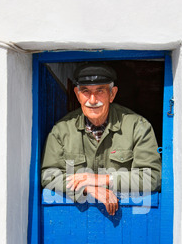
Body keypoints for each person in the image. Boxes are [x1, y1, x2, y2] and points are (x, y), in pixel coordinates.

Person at [41, 63, 161, 216]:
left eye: (100, 91)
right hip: (77, 221)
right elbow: (49, 175)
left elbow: (152, 177)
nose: (92, 100)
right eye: (85, 91)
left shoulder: (137, 127)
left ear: (112, 94)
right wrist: (86, 188)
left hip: (126, 221)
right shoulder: (61, 130)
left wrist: (103, 180)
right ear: (77, 95)